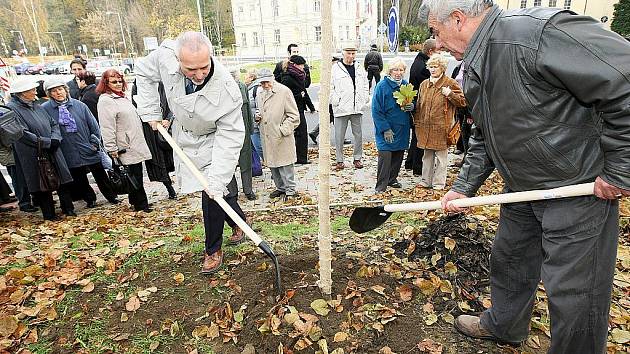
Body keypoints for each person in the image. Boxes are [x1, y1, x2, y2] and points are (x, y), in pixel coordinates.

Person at [419, 0, 630, 352]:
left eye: (436, 33)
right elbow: (486, 133)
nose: (436, 44)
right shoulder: (474, 64)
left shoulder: (536, 34)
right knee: (510, 260)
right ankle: (505, 325)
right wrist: (463, 187)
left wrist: (621, 168)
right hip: (520, 188)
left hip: (575, 188)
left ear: (457, 19)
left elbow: (624, 77)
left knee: (576, 292)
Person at [134, 31, 247, 274]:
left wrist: (216, 180)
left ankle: (213, 248)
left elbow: (230, 139)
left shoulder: (227, 90)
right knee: (224, 195)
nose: (198, 75)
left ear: (211, 57)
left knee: (213, 192)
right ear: (178, 60)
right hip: (184, 134)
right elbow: (143, 71)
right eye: (190, 69)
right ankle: (240, 222)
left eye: (203, 68)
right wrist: (150, 110)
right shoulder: (165, 58)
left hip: (214, 138)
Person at [42, 78, 119, 207]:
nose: (58, 93)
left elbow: (94, 126)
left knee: (100, 174)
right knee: (80, 178)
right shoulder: (45, 109)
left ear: (66, 90)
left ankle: (111, 196)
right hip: (67, 150)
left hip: (87, 146)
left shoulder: (79, 105)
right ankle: (90, 199)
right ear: (49, 94)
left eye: (60, 89)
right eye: (54, 91)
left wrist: (94, 143)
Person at [6, 77, 75, 220]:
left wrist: (55, 138)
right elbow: (22, 133)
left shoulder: (36, 104)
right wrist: (46, 142)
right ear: (22, 93)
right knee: (41, 182)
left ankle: (68, 208)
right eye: (31, 90)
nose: (34, 91)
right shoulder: (12, 109)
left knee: (62, 179)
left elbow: (53, 123)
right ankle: (49, 214)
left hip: (52, 147)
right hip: (33, 152)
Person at [96, 69, 152, 212]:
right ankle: (141, 205)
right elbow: (107, 127)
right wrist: (111, 148)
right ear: (106, 83)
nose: (119, 84)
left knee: (135, 173)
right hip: (124, 145)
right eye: (114, 81)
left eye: (120, 80)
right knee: (134, 175)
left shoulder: (121, 97)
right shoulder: (106, 101)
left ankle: (136, 201)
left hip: (134, 141)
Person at [413, 53, 466, 190]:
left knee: (441, 158)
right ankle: (425, 181)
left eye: (435, 66)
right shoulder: (424, 84)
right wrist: (417, 121)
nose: (432, 69)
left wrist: (450, 94)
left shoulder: (450, 83)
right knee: (427, 156)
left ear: (442, 68)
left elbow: (462, 102)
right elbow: (419, 105)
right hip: (425, 126)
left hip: (442, 127)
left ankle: (438, 183)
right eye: (430, 66)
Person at [255, 68, 300, 200]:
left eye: (267, 82)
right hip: (267, 134)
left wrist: (282, 130)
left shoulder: (284, 91)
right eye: (262, 83)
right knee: (273, 164)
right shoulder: (260, 93)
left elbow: (294, 116)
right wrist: (258, 116)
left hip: (281, 135)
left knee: (285, 164)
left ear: (272, 79)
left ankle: (291, 190)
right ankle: (280, 188)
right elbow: (262, 110)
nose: (265, 85)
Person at [372, 58, 414, 193]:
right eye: (395, 70)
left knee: (398, 154)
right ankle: (381, 186)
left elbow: (413, 103)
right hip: (386, 127)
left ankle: (392, 179)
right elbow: (376, 110)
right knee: (385, 156)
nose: (398, 73)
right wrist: (385, 129)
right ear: (390, 71)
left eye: (401, 70)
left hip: (402, 127)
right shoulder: (382, 86)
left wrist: (413, 106)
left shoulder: (406, 85)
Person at [131, 80, 177, 200]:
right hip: (150, 129)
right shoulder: (137, 86)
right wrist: (149, 119)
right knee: (158, 160)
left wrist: (168, 118)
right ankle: (169, 187)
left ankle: (173, 183)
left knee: (171, 157)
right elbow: (136, 107)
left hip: (166, 126)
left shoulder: (162, 83)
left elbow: (172, 103)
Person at [331, 46, 370, 170]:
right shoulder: (335, 69)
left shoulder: (359, 68)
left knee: (358, 135)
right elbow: (330, 87)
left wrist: (364, 98)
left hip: (357, 107)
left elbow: (365, 84)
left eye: (353, 53)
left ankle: (357, 158)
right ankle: (339, 160)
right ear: (343, 53)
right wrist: (336, 100)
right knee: (339, 136)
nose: (351, 56)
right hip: (341, 108)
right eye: (349, 53)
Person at [405, 39, 437, 176]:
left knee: (416, 137)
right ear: (430, 51)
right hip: (421, 105)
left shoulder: (419, 60)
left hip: (416, 103)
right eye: (438, 51)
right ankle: (418, 167)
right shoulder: (424, 67)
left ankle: (410, 163)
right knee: (421, 138)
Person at [230, 68, 257, 200]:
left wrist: (250, 129)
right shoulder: (220, 88)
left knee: (246, 162)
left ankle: (248, 190)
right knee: (228, 164)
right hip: (227, 133)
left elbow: (247, 110)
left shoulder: (242, 86)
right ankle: (232, 192)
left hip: (243, 130)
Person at [280, 55, 310, 164]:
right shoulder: (287, 77)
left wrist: (310, 106)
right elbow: (285, 94)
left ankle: (301, 158)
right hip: (292, 109)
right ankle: (298, 158)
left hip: (300, 108)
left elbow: (304, 89)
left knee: (301, 133)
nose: (303, 67)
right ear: (295, 65)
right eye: (301, 65)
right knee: (298, 133)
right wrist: (300, 95)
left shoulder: (300, 75)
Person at [450, 62, 472, 159]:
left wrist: (471, 114)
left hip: (469, 104)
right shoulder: (458, 67)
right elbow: (452, 81)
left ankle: (467, 158)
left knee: (467, 131)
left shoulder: (473, 68)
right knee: (460, 128)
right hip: (459, 102)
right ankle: (462, 149)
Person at [246, 70, 264, 161]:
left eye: (247, 76)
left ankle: (272, 165)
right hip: (252, 124)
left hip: (256, 124)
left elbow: (259, 106)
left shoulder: (256, 89)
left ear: (252, 78)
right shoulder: (249, 89)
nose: (245, 78)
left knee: (259, 147)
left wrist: (256, 120)